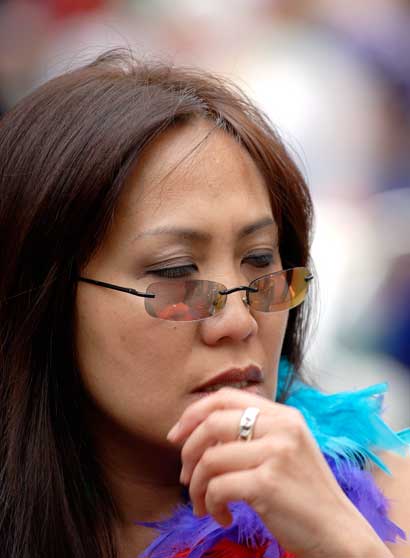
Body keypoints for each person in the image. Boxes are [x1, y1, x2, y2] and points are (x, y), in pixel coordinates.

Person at [0, 49, 409, 558]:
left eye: (260, 259)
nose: (237, 321)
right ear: (44, 298)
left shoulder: (391, 501)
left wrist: (344, 546)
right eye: (175, 272)